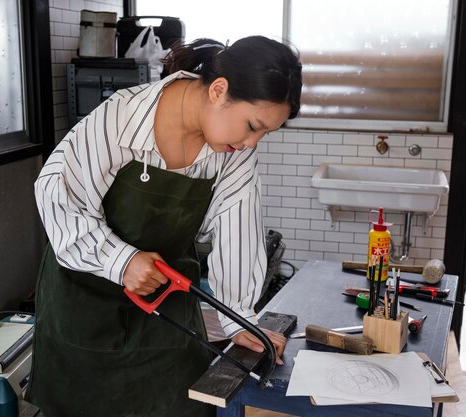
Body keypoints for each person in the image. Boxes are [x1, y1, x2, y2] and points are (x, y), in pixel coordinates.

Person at [26, 35, 302, 417]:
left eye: (264, 134)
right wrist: (121, 262)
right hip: (84, 305)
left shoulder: (232, 154)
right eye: (252, 126)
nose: (252, 143)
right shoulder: (121, 118)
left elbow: (238, 232)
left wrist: (240, 320)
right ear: (219, 91)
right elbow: (58, 199)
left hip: (166, 304)